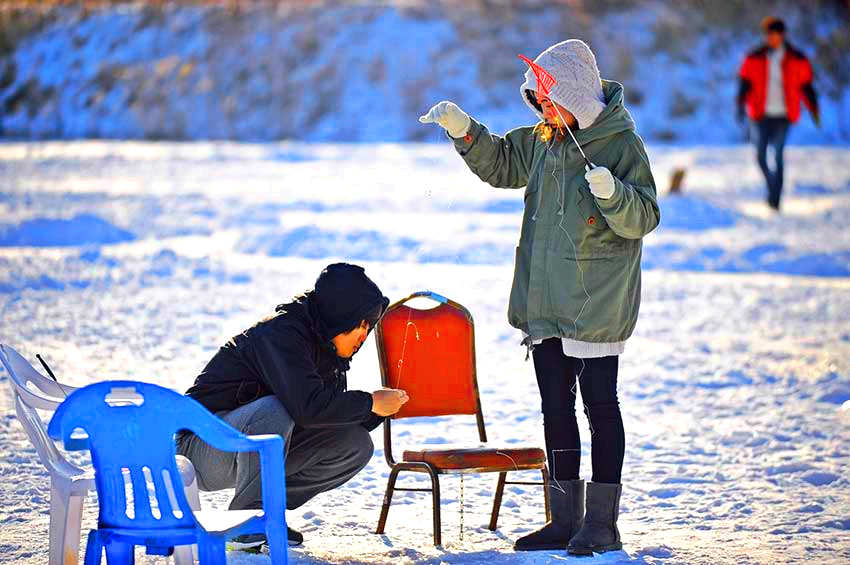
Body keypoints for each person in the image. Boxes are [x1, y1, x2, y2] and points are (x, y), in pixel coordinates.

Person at [420, 39, 659, 555]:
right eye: (538, 101)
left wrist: (614, 194)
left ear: (577, 95)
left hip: (595, 301)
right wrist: (466, 132)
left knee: (600, 405)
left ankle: (602, 525)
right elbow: (503, 164)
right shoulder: (545, 139)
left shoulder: (622, 145)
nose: (542, 110)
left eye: (550, 99)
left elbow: (643, 217)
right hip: (544, 299)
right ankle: (563, 519)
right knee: (555, 407)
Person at [177, 263, 408, 551]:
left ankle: (266, 512)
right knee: (275, 408)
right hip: (199, 449)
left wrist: (377, 410)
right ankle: (245, 520)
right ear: (341, 315)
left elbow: (323, 418)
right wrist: (370, 402)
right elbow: (308, 408)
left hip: (246, 448)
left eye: (370, 326)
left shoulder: (326, 347)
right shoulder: (282, 334)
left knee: (354, 445)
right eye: (362, 323)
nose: (365, 334)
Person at [737, 16, 819, 211]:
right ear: (766, 36)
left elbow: (806, 86)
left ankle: (775, 198)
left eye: (777, 35)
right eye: (770, 35)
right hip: (760, 113)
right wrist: (740, 105)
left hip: (784, 114)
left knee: (779, 155)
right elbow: (744, 84)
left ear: (783, 35)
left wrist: (814, 108)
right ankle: (772, 186)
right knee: (760, 155)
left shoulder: (797, 59)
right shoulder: (754, 57)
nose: (774, 39)